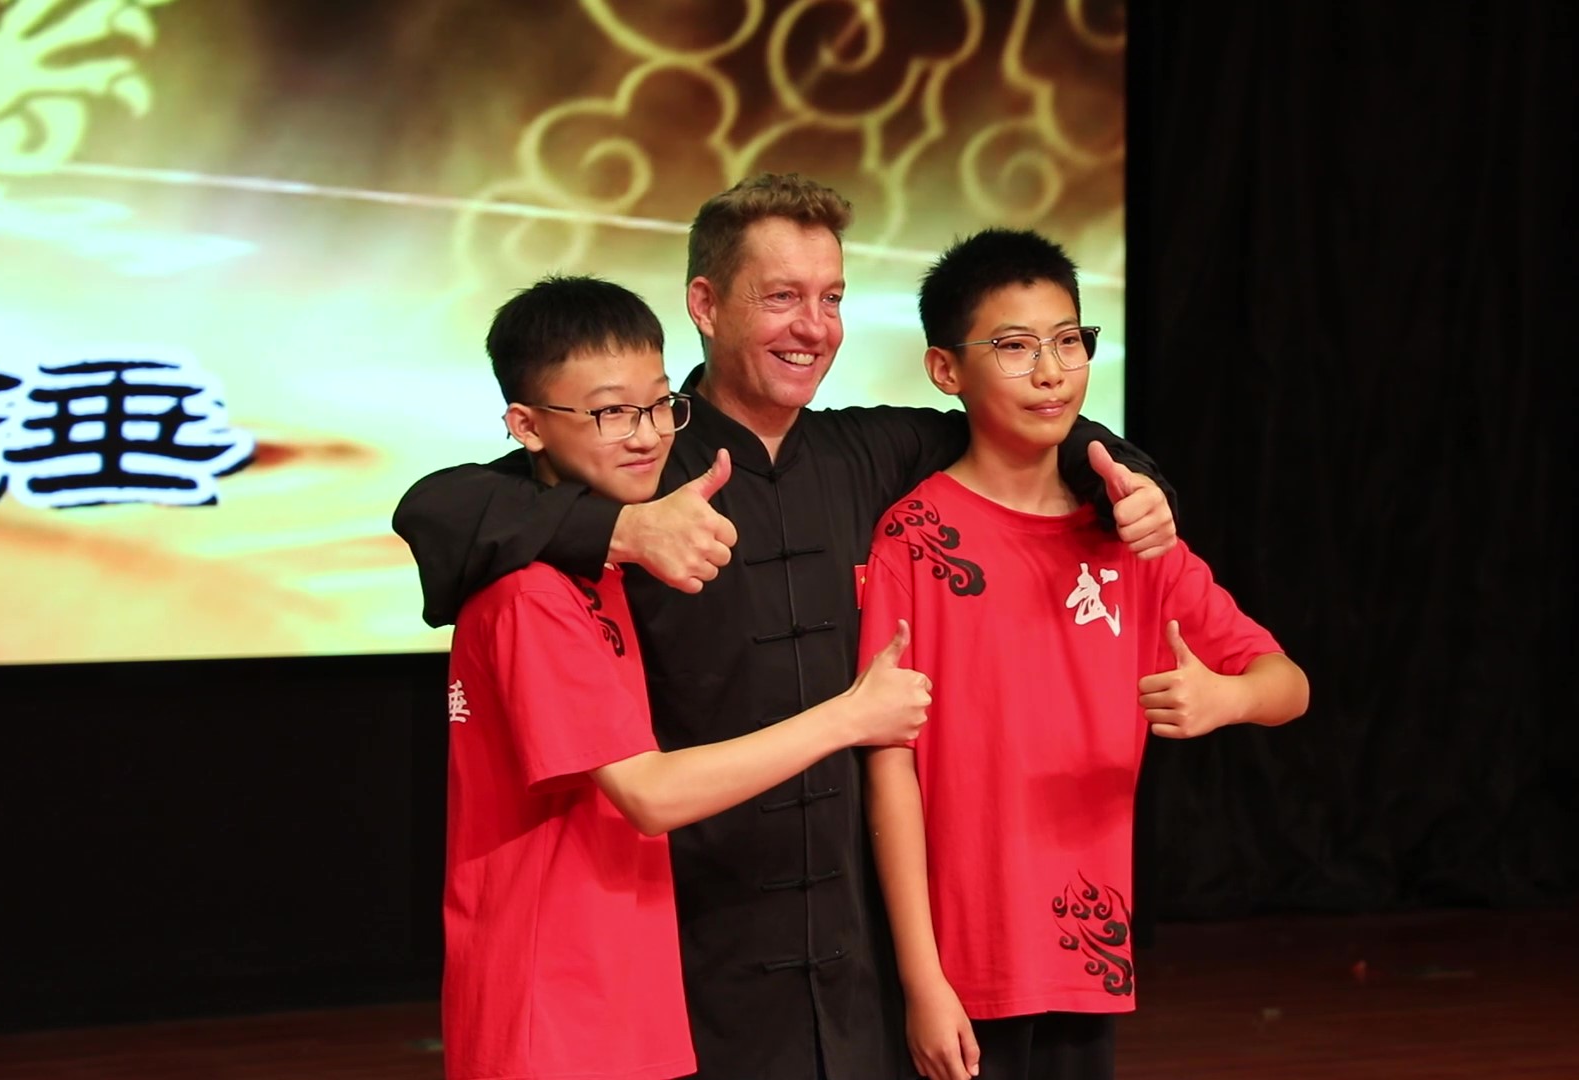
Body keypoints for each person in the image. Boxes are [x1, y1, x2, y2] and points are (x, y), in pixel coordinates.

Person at [394, 173, 1179, 1080]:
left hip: (852, 954)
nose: (814, 327)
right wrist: (624, 530)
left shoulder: (871, 451)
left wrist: (1136, 480)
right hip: (684, 955)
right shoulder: (634, 456)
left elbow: (1022, 425)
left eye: (831, 298)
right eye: (781, 298)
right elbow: (438, 509)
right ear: (704, 304)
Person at [439, 274, 936, 1080]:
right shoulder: (532, 592)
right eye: (611, 413)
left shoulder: (598, 566)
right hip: (553, 1006)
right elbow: (650, 795)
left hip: (622, 986)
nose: (645, 436)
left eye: (659, 405)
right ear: (526, 426)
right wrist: (851, 716)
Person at [858, 228, 1310, 1080]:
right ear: (946, 371)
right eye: (1014, 347)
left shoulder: (1132, 529)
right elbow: (889, 763)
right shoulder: (914, 537)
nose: (1052, 371)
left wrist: (1226, 699)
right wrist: (921, 979)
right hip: (960, 960)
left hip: (1086, 949)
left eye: (1069, 340)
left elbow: (1288, 684)